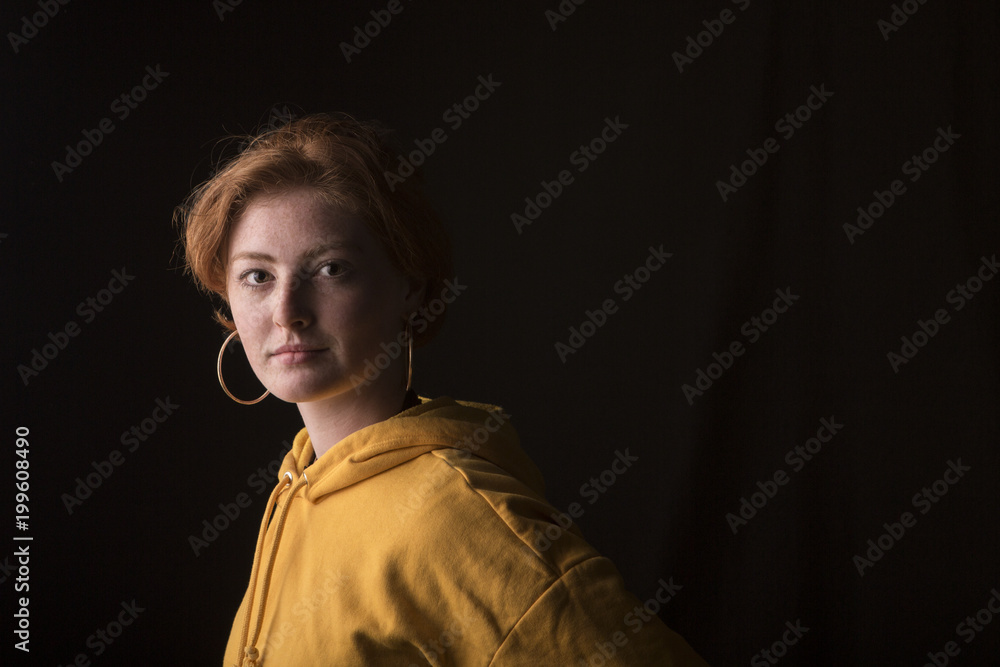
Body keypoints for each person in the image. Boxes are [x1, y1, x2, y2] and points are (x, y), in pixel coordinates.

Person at [176, 113, 708, 666]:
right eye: (257, 276)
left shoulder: (453, 515)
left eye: (331, 269)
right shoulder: (301, 481)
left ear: (410, 286)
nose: (287, 312)